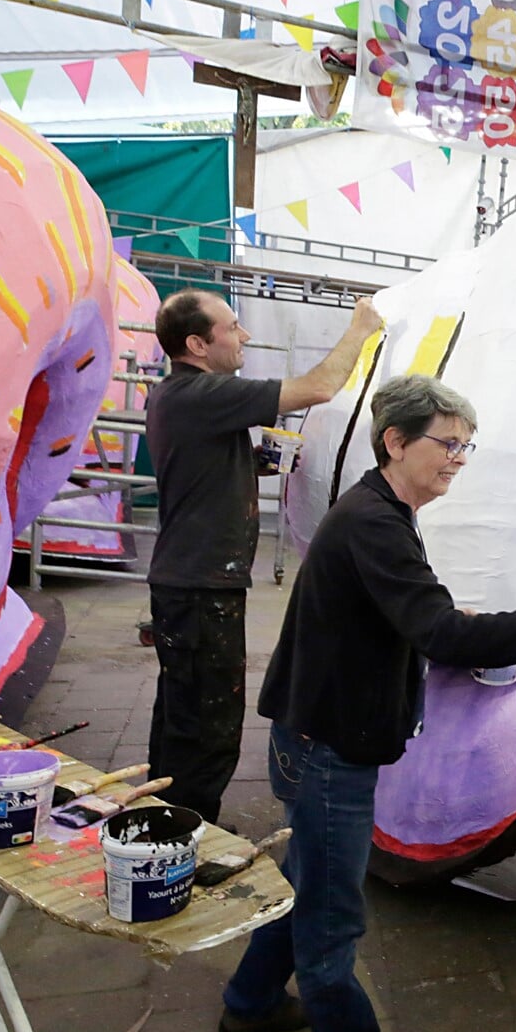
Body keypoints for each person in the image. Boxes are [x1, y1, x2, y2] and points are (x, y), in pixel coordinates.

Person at [217, 374, 516, 1032]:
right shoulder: (375, 522)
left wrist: (444, 614)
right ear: (396, 440)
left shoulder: (381, 512)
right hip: (330, 744)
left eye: (467, 445)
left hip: (315, 732)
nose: (460, 458)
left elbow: (409, 612)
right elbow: (439, 634)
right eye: (447, 443)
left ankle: (250, 1001)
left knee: (306, 880)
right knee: (332, 916)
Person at [143, 290, 384, 825]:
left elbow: (202, 466)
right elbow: (319, 387)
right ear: (197, 345)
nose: (244, 336)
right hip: (202, 586)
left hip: (188, 581)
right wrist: (360, 329)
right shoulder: (203, 392)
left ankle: (167, 818)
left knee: (182, 710)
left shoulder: (177, 396)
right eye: (232, 327)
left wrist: (257, 461)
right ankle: (190, 833)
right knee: (209, 721)